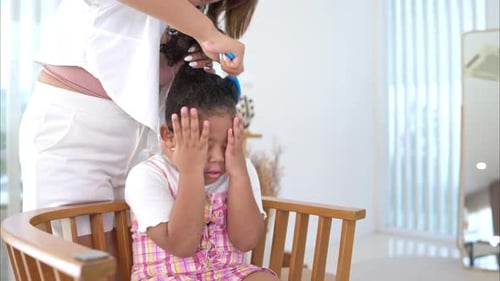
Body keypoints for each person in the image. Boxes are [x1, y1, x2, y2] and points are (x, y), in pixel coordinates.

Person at [18, 0, 258, 239]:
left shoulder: (185, 20)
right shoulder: (198, 25)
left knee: (117, 269)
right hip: (75, 136)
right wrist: (206, 33)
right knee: (80, 264)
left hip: (139, 150)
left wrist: (190, 62)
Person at [124, 40, 279, 280]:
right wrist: (191, 173)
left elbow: (246, 240)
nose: (218, 157)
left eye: (227, 144)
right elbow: (182, 245)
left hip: (227, 273)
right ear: (169, 135)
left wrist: (238, 174)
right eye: (204, 146)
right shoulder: (147, 176)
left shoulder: (239, 168)